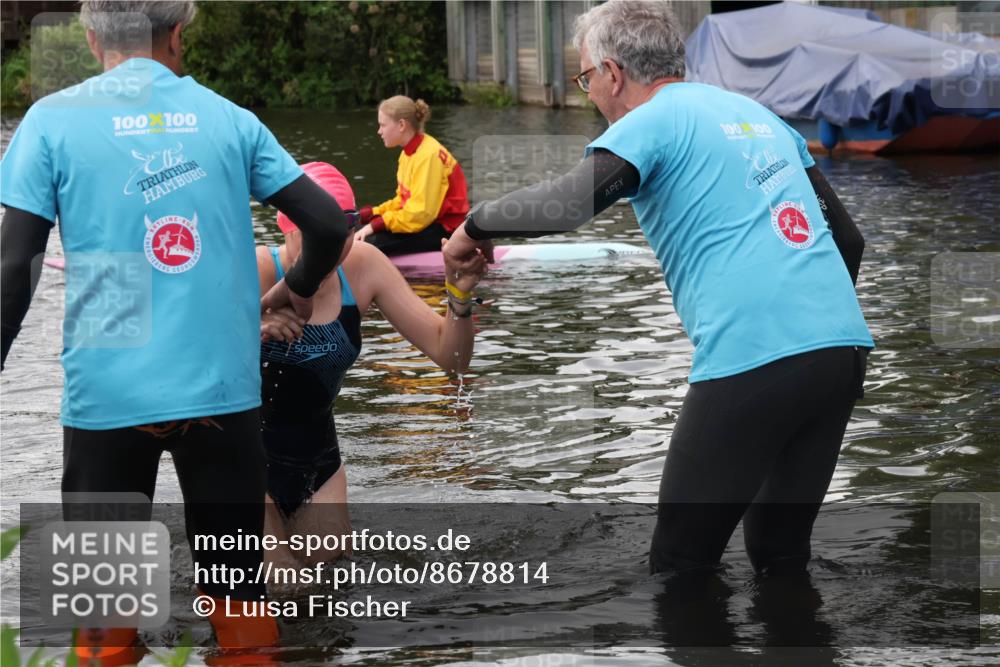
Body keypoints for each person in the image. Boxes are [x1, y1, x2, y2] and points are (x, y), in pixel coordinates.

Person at [443, 0, 874, 576]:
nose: (590, 93)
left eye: (586, 77)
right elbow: (848, 240)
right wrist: (812, 337)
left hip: (754, 355)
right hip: (840, 350)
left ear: (613, 73)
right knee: (780, 555)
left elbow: (570, 204)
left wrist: (471, 228)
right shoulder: (758, 115)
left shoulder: (649, 121)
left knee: (679, 563)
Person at [0, 1, 352, 663]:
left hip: (110, 392)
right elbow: (330, 224)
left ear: (89, 36)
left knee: (106, 616)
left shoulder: (51, 122)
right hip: (221, 394)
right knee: (238, 597)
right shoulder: (229, 120)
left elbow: (13, 262)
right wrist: (296, 288)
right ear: (178, 35)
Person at [256, 162, 486, 566]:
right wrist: (250, 326)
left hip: (319, 463)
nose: (329, 252)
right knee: (281, 584)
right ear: (285, 227)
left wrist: (459, 295)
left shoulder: (364, 266)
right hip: (244, 461)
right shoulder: (255, 269)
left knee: (323, 590)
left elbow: (450, 356)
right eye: (315, 237)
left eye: (341, 235)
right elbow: (185, 357)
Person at [353, 96, 469, 256]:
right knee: (355, 229)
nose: (379, 131)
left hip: (446, 230)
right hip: (425, 222)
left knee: (367, 244)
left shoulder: (428, 156)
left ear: (401, 125)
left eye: (382, 125)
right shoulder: (408, 153)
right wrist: (373, 214)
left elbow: (421, 214)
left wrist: (377, 225)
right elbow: (403, 201)